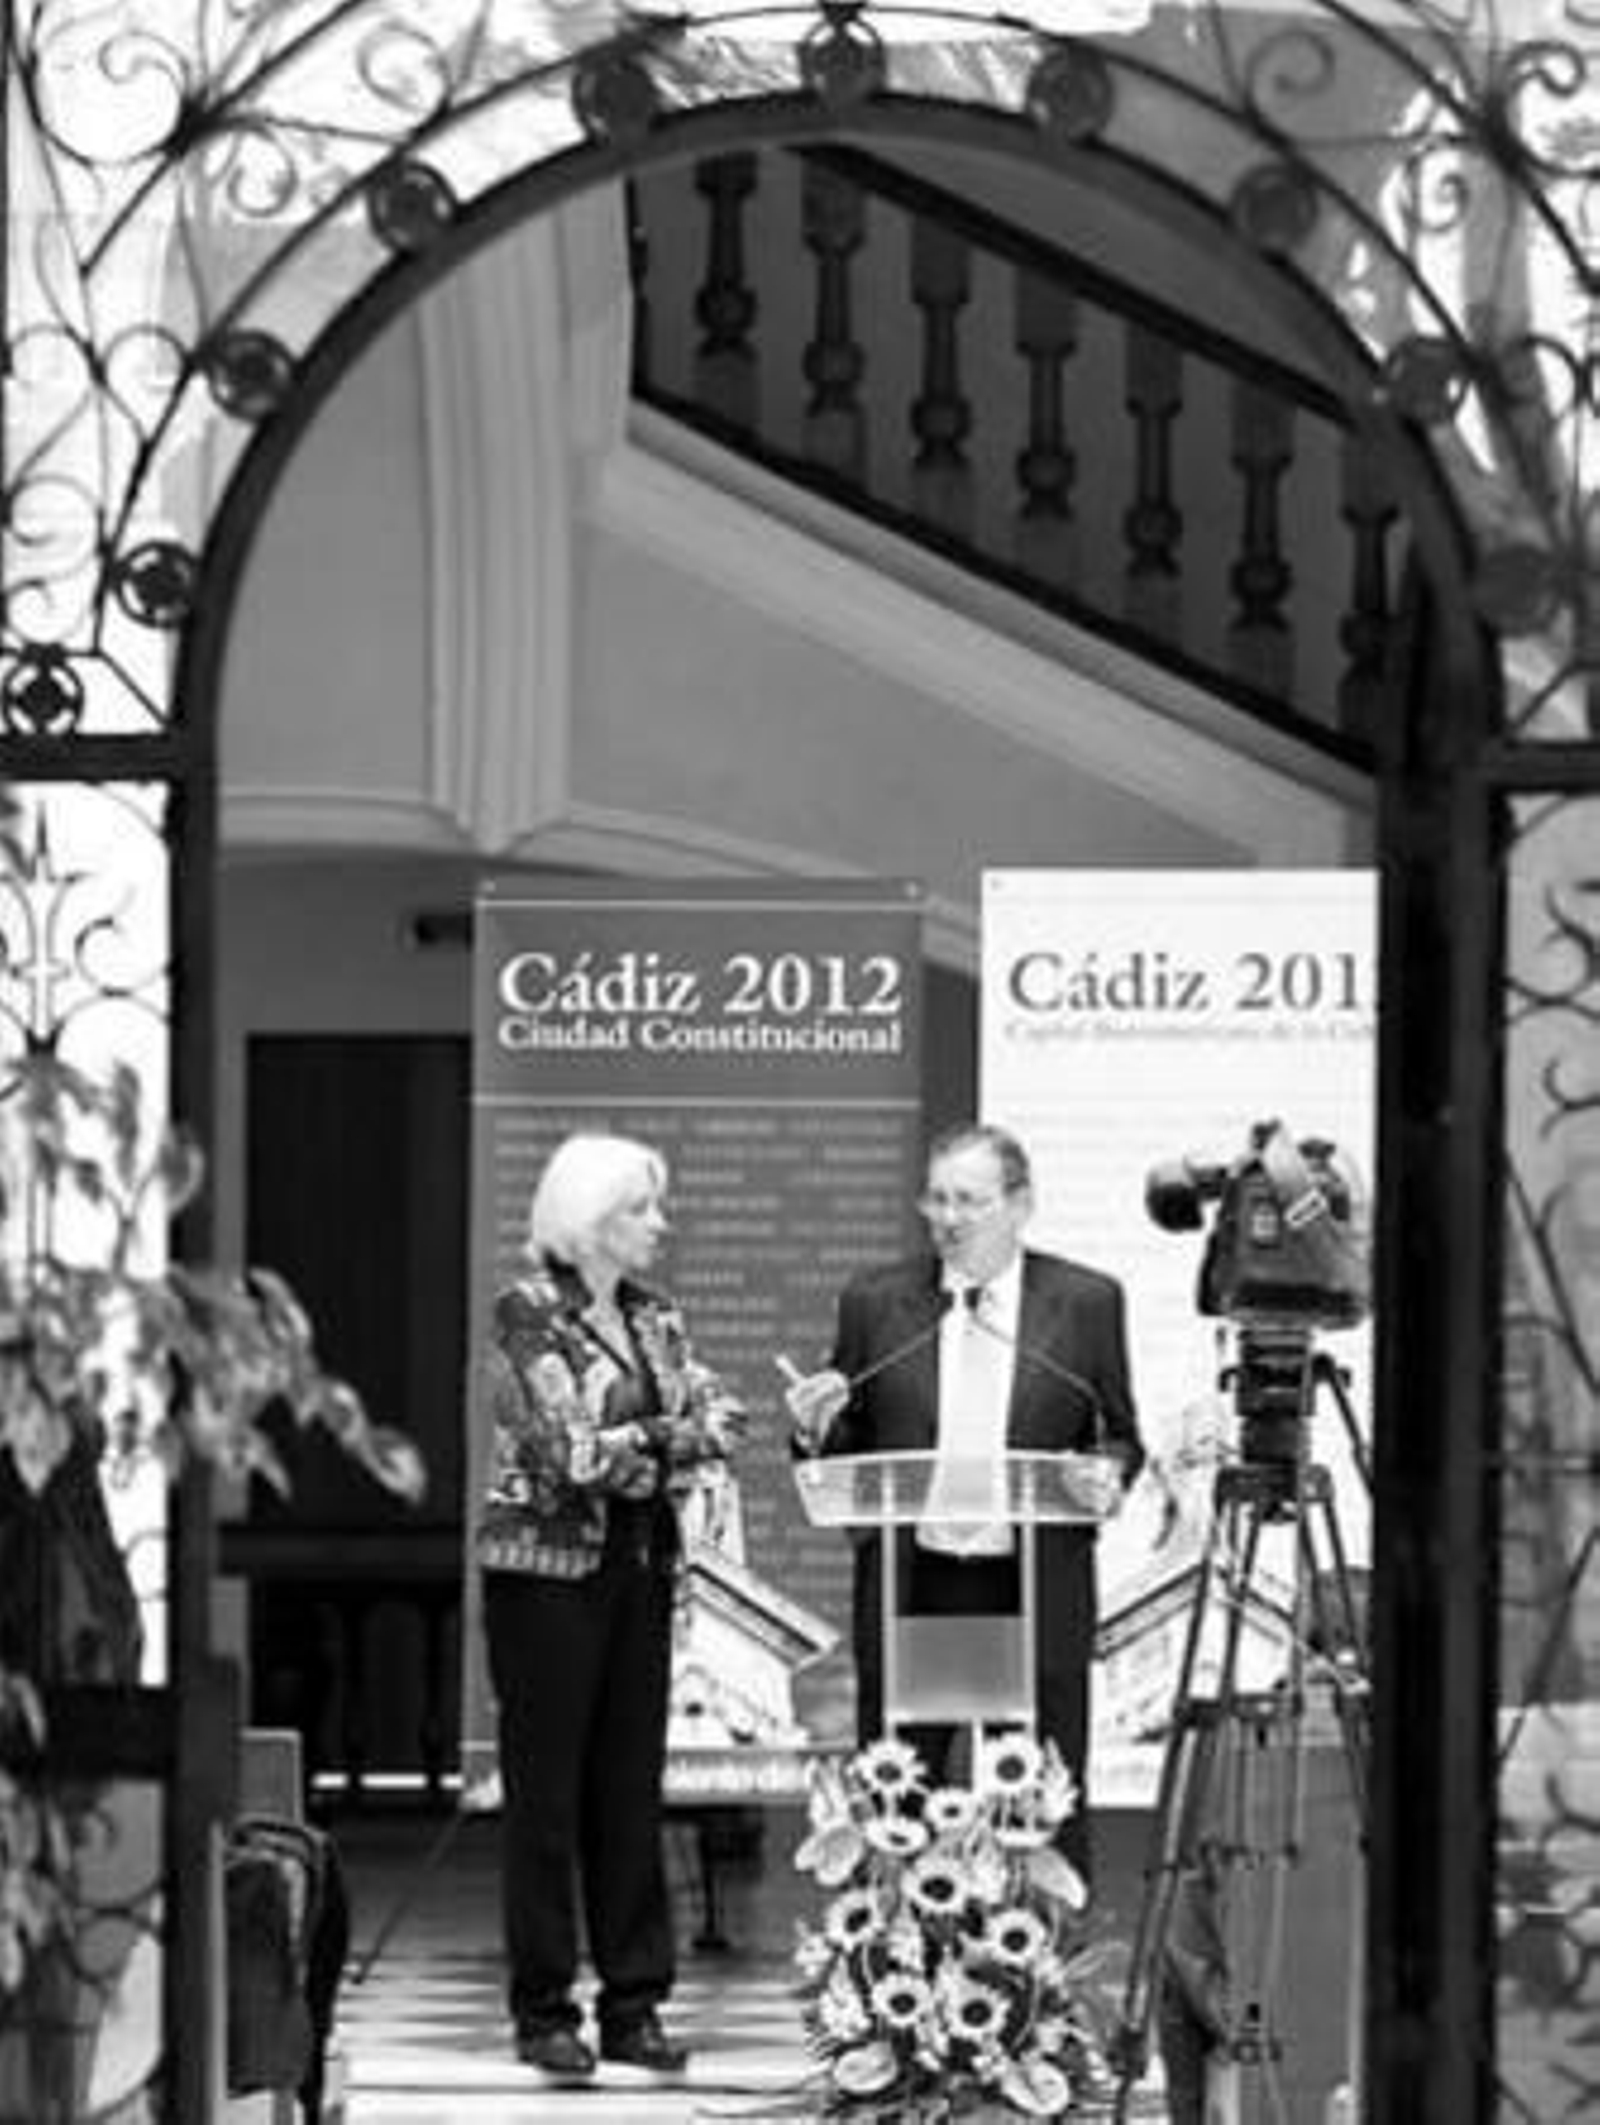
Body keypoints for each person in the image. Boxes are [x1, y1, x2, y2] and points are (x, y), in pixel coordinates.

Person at [783, 1120, 1143, 1882]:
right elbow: (847, 1439)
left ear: (1021, 1204)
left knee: (1040, 1793)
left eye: (970, 1200)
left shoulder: (1085, 1302)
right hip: (918, 1583)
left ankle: (1039, 1970)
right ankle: (893, 1971)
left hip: (1033, 1582)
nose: (948, 1218)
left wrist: (1103, 1471)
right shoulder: (877, 1302)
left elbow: (1117, 1432)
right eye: (937, 1198)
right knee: (899, 1787)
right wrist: (815, 1428)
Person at [474, 1131, 744, 2083]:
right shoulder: (528, 1311)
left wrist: (649, 1439)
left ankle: (634, 2003)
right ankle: (543, 2008)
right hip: (545, 1577)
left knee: (629, 1791)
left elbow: (723, 1424)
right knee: (545, 1797)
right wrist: (669, 1437)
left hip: (639, 1565)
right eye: (641, 1209)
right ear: (589, 1220)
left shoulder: (657, 1316)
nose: (658, 1225)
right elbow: (566, 1453)